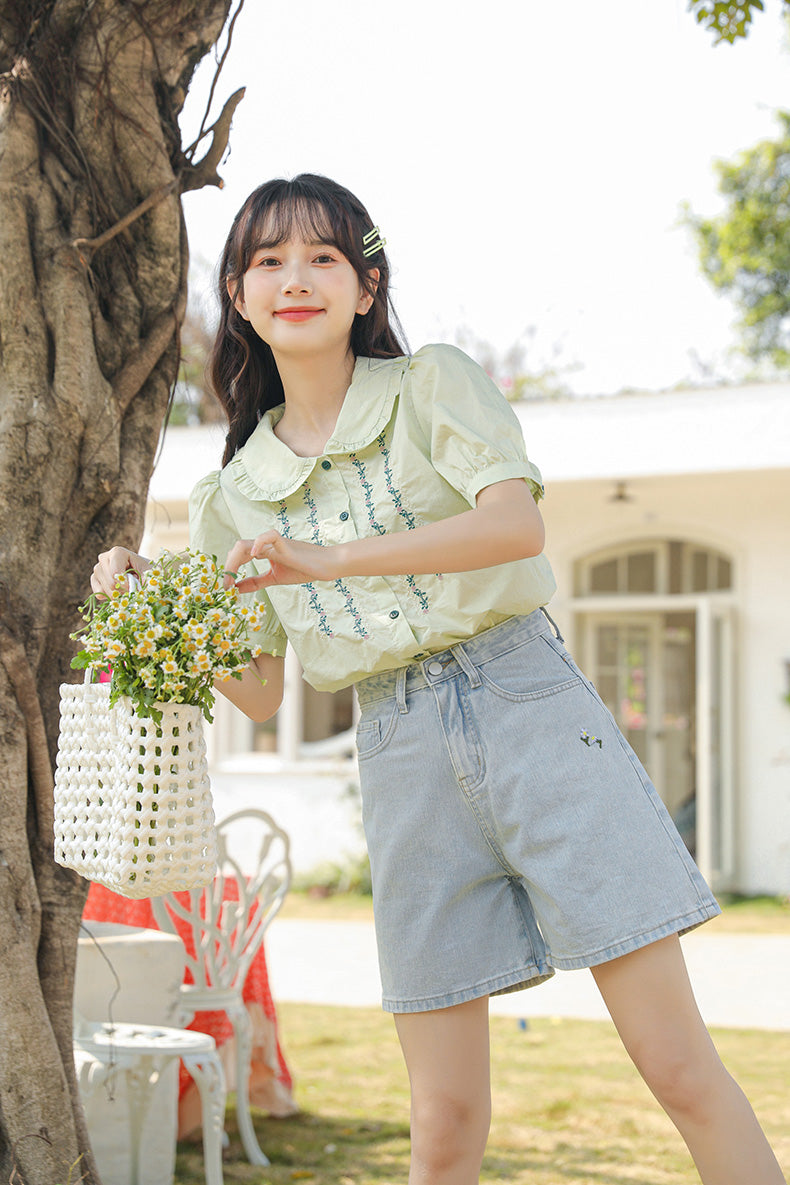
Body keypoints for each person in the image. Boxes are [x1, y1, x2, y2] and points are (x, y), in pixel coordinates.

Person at [92, 174, 785, 1185]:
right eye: (268, 261)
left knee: (677, 1066)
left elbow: (515, 524)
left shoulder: (432, 388)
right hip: (398, 750)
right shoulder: (230, 494)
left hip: (529, 713)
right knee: (444, 1116)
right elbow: (259, 690)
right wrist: (147, 605)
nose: (297, 278)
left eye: (324, 257)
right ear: (236, 296)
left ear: (365, 287)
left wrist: (323, 562)